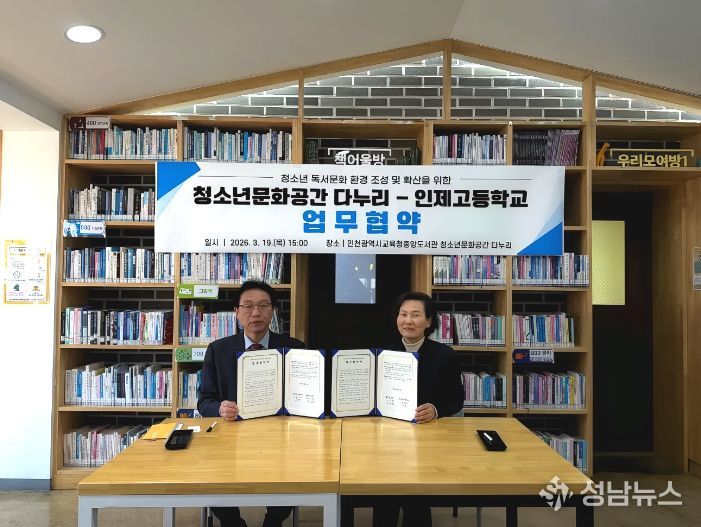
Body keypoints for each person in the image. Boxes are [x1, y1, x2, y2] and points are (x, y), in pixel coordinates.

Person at [198, 279, 304, 527]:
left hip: (280, 438)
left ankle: (274, 521)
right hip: (231, 437)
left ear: (273, 310)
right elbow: (205, 401)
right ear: (237, 312)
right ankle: (233, 522)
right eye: (247, 306)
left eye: (263, 306)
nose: (255, 313)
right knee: (211, 474)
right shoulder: (218, 350)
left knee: (294, 469)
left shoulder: (295, 349)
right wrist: (220, 408)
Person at [373, 291, 464, 527]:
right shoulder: (385, 353)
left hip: (427, 438)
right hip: (390, 438)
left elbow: (456, 399)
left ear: (429, 321)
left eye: (415, 315)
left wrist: (435, 409)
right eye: (403, 314)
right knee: (385, 495)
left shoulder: (444, 355)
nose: (408, 321)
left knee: (415, 498)